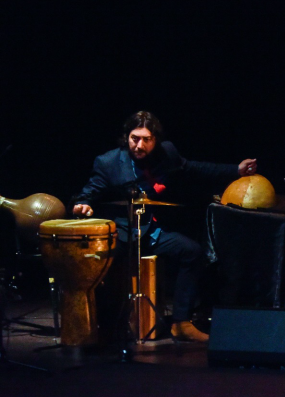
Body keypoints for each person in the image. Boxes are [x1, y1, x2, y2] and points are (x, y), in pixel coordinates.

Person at [72, 111, 257, 342]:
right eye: (134, 138)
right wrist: (83, 204)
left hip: (151, 231)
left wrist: (235, 170)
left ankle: (181, 322)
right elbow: (90, 191)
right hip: (122, 232)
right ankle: (104, 324)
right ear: (126, 137)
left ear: (155, 139)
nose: (139, 145)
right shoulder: (108, 162)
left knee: (192, 252)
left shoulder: (166, 153)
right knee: (97, 261)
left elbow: (194, 168)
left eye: (146, 139)